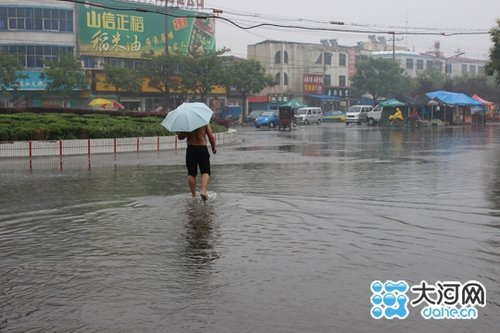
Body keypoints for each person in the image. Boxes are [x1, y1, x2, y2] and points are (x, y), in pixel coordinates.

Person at [177, 124, 217, 201]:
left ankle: (193, 195)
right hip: (202, 148)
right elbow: (211, 136)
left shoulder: (187, 123)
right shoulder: (204, 122)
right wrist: (213, 148)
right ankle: (203, 191)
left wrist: (186, 130)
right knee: (205, 171)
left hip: (191, 149)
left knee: (191, 173)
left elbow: (180, 137)